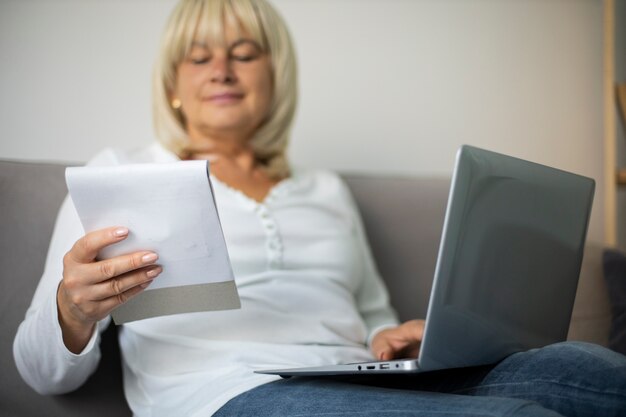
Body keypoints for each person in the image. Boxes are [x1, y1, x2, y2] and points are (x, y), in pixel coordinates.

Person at [13, 0, 626, 416]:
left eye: (244, 52)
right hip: (229, 392)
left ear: (274, 74)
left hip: (358, 379)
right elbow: (43, 374)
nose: (222, 70)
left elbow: (372, 317)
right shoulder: (117, 174)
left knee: (581, 367)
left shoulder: (326, 190)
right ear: (174, 84)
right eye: (199, 57)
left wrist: (396, 338)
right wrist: (71, 310)